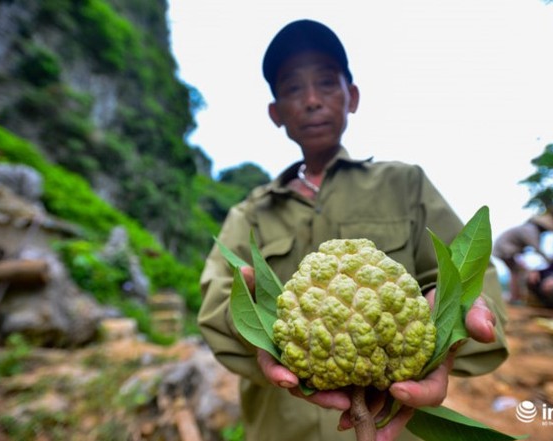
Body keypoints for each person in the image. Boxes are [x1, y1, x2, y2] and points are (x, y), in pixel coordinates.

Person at [198, 19, 508, 441]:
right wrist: (252, 328)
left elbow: (468, 277)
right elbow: (216, 298)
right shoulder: (249, 213)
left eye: (326, 84)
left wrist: (452, 313)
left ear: (352, 96)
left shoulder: (404, 184)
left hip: (391, 425)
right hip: (281, 428)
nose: (311, 101)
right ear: (275, 113)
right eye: (292, 89)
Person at [492, 213, 553, 304]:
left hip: (504, 249)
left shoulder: (528, 228)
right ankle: (515, 298)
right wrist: (548, 260)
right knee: (517, 272)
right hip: (505, 249)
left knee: (516, 272)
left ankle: (515, 298)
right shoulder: (531, 230)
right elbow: (536, 247)